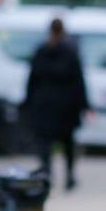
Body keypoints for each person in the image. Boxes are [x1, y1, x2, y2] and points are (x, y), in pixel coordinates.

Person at [23, 18, 88, 190]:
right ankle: (69, 176)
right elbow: (79, 81)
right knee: (67, 143)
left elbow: (32, 80)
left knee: (44, 143)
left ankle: (47, 173)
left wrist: (28, 103)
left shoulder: (41, 51)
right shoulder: (70, 53)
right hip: (65, 108)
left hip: (44, 106)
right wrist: (84, 105)